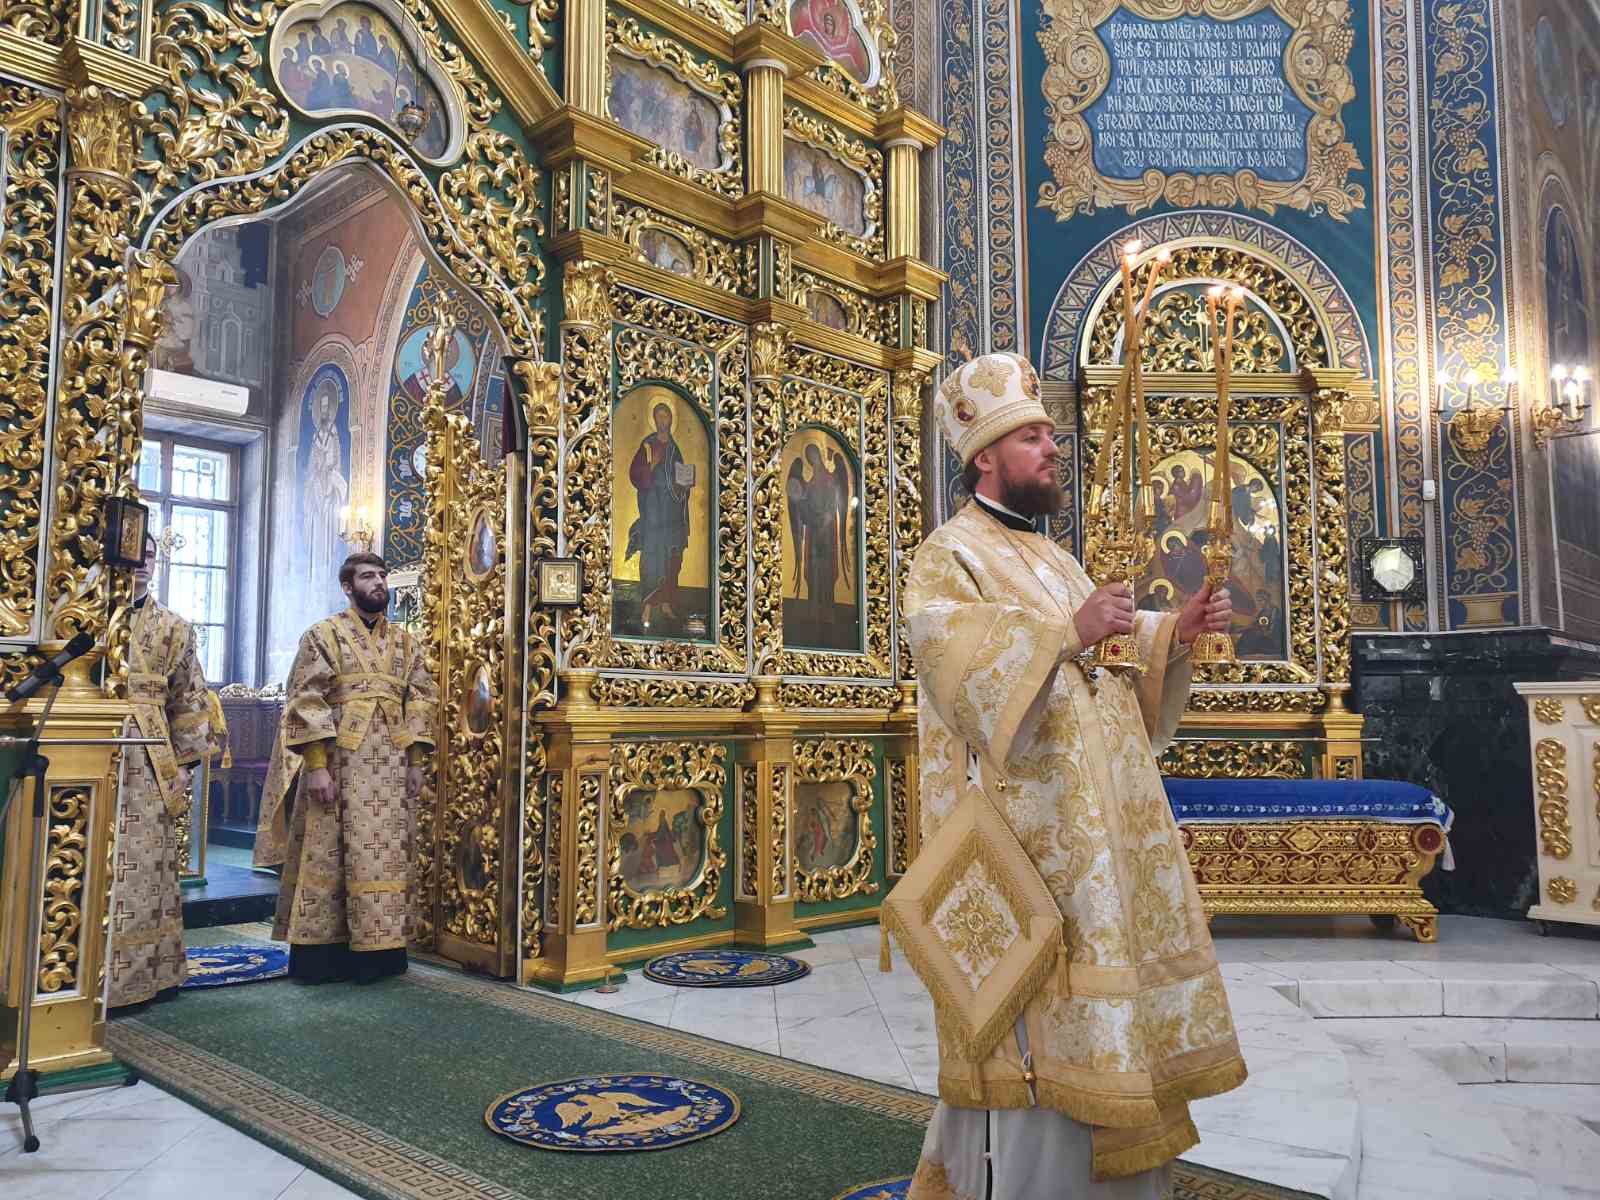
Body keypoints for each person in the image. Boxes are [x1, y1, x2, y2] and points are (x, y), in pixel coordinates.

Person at [898, 352, 1246, 1198]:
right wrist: (1065, 634)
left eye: (1051, 434)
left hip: (1098, 838)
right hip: (1029, 845)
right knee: (1035, 1016)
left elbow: (1105, 660)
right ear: (986, 455)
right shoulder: (949, 554)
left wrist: (1172, 632)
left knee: (1107, 1012)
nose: (1053, 448)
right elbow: (949, 658)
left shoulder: (1055, 559)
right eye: (1033, 437)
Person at [255, 552, 437, 983]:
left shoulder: (406, 643)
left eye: (382, 576)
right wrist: (317, 765)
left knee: (384, 859)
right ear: (347, 586)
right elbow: (305, 699)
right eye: (368, 576)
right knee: (327, 855)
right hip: (338, 765)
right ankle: (323, 957)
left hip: (391, 768)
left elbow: (422, 698)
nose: (379, 583)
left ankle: (380, 954)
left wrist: (416, 761)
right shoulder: (323, 635)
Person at [107, 534, 215, 1009]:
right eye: (136, 554)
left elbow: (189, 699)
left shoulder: (175, 627)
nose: (143, 563)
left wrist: (186, 764)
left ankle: (147, 976)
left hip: (151, 758)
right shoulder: (88, 617)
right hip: (90, 744)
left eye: (150, 556)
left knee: (145, 866)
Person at [625, 402, 693, 630]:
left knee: (673, 558)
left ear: (671, 420)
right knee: (653, 557)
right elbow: (635, 474)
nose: (663, 420)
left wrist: (685, 484)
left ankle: (666, 604)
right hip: (654, 511)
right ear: (654, 420)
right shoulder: (648, 445)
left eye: (666, 416)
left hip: (672, 514)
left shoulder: (674, 449)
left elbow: (681, 481)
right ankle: (647, 607)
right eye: (659, 416)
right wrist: (650, 466)